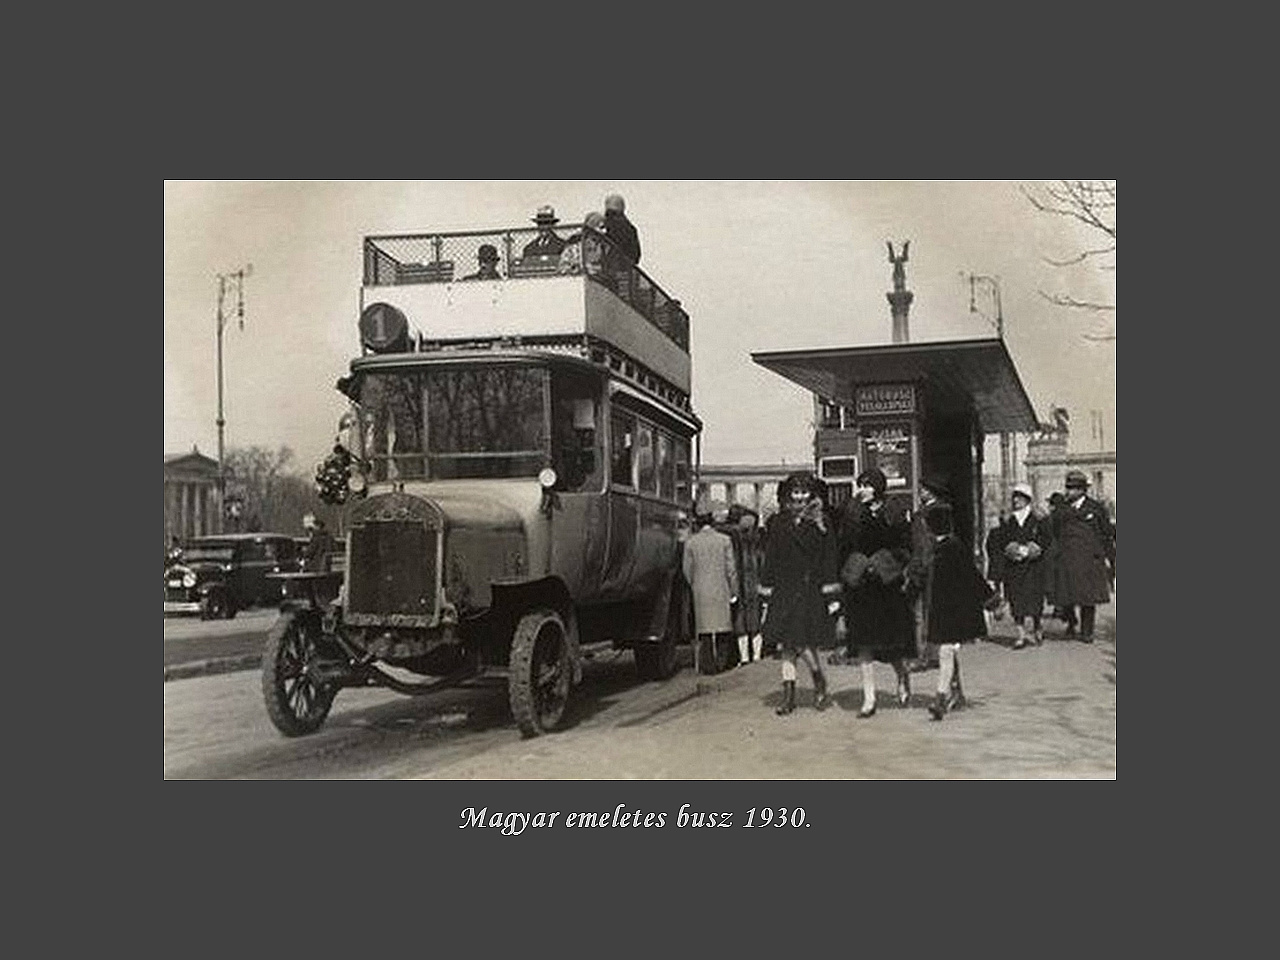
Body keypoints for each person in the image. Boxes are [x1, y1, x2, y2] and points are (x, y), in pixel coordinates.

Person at [758, 472, 841, 715]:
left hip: (809, 591)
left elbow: (829, 558)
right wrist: (766, 591)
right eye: (795, 492)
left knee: (801, 643)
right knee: (787, 645)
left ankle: (817, 680)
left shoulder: (821, 522)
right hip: (784, 590)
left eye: (804, 492)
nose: (800, 497)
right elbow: (771, 558)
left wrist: (832, 594)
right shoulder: (778, 522)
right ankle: (790, 696)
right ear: (788, 495)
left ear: (811, 494)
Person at [837, 467, 916, 717]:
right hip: (861, 587)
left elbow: (905, 547)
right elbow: (844, 547)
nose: (862, 490)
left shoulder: (893, 512)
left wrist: (886, 562)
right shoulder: (851, 513)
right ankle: (869, 698)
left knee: (890, 645)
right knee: (863, 644)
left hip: (886, 587)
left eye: (868, 485)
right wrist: (853, 565)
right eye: (860, 484)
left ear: (879, 487)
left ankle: (902, 676)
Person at [923, 503, 994, 720]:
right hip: (942, 610)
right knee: (949, 653)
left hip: (954, 610)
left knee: (945, 652)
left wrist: (990, 599)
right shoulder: (939, 547)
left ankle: (940, 699)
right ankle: (958, 693)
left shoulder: (951, 548)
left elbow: (971, 576)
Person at [985, 482, 1052, 649]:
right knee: (1016, 601)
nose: (1016, 501)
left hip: (1034, 567)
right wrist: (1011, 548)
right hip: (1014, 567)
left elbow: (1047, 538)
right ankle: (1020, 635)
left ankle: (1037, 626)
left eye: (1020, 497)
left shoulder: (1039, 519)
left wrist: (1036, 548)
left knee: (1035, 600)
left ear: (1027, 499)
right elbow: (1000, 540)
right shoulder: (1007, 520)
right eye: (1015, 497)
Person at [1051, 470, 1116, 643]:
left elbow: (1106, 533)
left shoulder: (1095, 508)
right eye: (1068, 488)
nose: (1068, 492)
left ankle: (1087, 631)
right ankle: (1071, 622)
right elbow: (1054, 532)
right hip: (1067, 559)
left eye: (1072, 488)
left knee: (1088, 598)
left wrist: (1112, 559)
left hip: (1089, 560)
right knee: (1066, 595)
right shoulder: (1061, 510)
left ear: (1081, 490)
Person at [682, 503, 739, 674]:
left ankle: (707, 666)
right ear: (712, 521)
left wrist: (694, 585)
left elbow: (687, 570)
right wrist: (734, 591)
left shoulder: (691, 543)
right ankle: (721, 664)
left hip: (700, 592)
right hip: (721, 590)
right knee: (723, 630)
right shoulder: (724, 541)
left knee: (704, 631)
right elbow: (731, 569)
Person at [602, 193, 641, 277]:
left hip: (613, 271)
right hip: (625, 272)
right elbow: (636, 256)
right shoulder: (631, 229)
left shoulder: (609, 225)